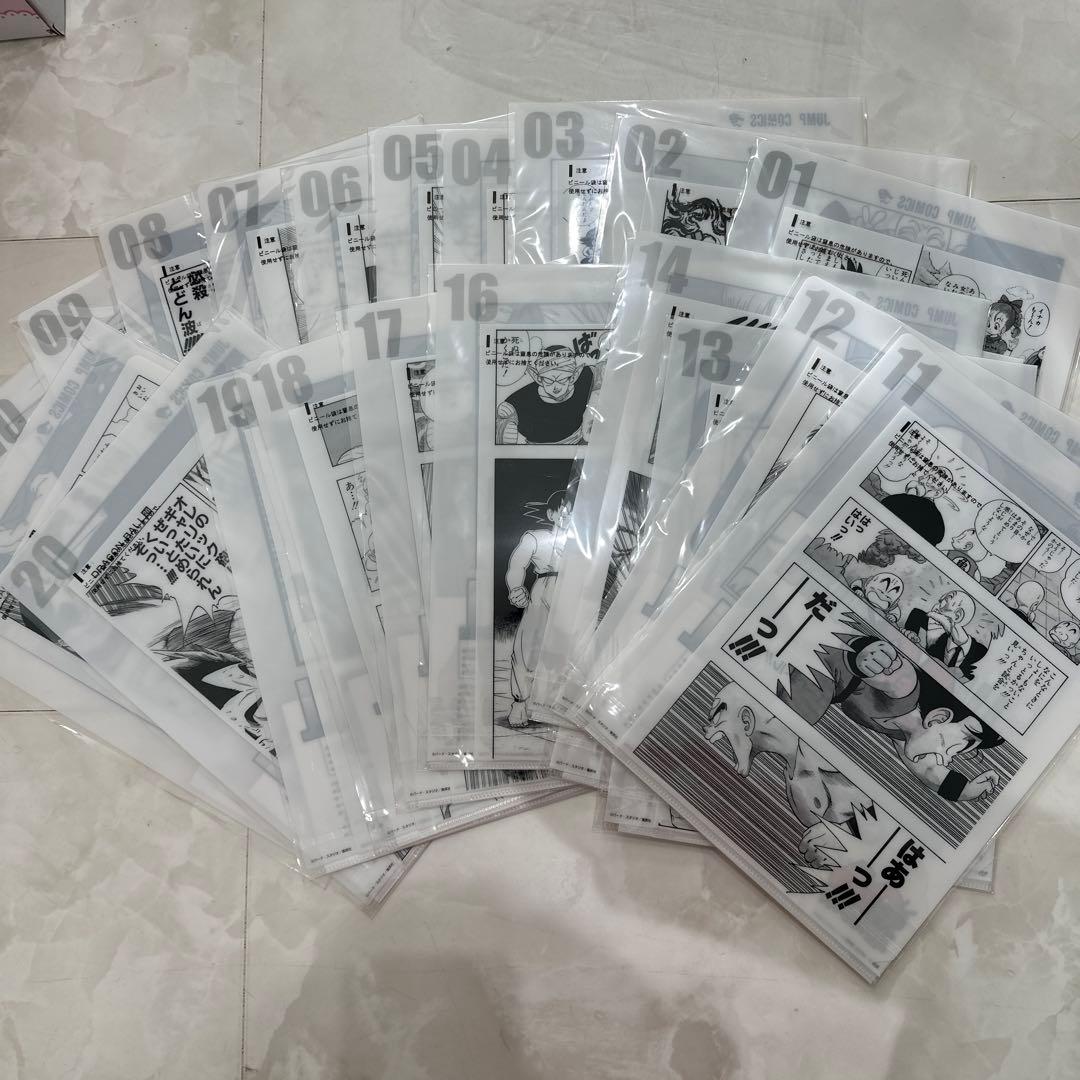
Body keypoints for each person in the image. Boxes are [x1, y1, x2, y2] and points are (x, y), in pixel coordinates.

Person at [779, 636, 1003, 803]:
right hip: (823, 663)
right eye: (950, 748)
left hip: (815, 679)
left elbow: (928, 771)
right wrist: (870, 654)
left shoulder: (905, 734)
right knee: (784, 727)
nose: (946, 758)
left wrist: (965, 790)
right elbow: (894, 669)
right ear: (938, 718)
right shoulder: (906, 690)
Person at [704, 682, 877, 869]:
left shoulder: (822, 750)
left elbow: (889, 810)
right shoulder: (791, 778)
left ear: (747, 720)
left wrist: (846, 836)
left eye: (718, 722)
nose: (712, 735)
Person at [504, 488, 572, 728]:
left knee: (568, 648)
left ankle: (558, 705)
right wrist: (516, 588)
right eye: (563, 511)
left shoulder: (583, 544)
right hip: (542, 591)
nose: (567, 516)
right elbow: (517, 565)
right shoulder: (535, 537)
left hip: (573, 592)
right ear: (551, 514)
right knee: (527, 647)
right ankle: (520, 703)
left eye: (572, 512)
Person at [496, 344, 596, 445]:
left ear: (574, 376)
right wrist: (506, 422)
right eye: (549, 380)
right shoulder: (523, 399)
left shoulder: (585, 379)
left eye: (562, 379)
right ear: (538, 378)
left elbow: (598, 371)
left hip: (578, 442)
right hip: (536, 450)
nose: (556, 386)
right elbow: (508, 408)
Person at [904, 589, 986, 681]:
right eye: (939, 603)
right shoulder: (917, 616)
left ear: (957, 616)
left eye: (942, 608)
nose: (935, 609)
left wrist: (963, 642)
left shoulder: (977, 651)